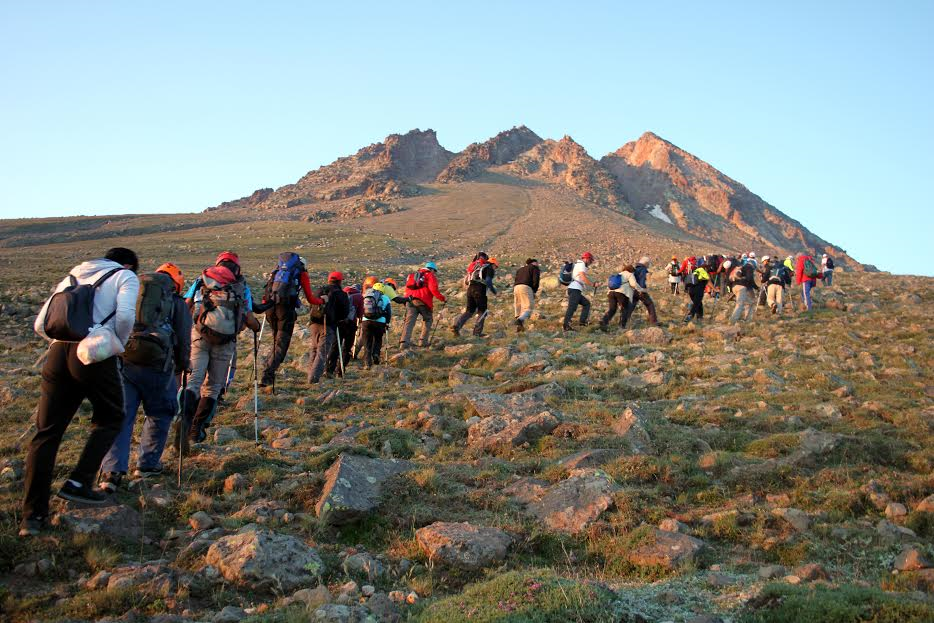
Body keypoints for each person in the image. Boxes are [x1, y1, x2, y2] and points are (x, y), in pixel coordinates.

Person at [21, 248, 140, 536]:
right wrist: (114, 343)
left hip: (57, 353)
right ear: (128, 264)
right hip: (95, 352)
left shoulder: (73, 275)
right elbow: (125, 316)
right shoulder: (125, 276)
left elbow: (41, 324)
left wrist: (65, 340)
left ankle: (32, 517)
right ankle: (79, 482)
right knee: (112, 416)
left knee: (46, 432)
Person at [99, 263, 192, 492]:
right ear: (176, 284)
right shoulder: (177, 303)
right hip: (159, 365)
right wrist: (182, 366)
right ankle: (147, 465)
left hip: (125, 361)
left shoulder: (131, 294)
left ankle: (111, 472)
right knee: (160, 413)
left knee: (122, 415)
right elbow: (183, 336)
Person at [181, 251, 260, 448]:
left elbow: (186, 304)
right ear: (237, 267)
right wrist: (256, 327)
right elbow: (249, 318)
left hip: (200, 334)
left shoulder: (202, 280)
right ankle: (196, 429)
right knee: (214, 386)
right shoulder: (242, 286)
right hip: (226, 341)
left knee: (194, 380)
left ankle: (183, 418)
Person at [259, 253, 324, 387]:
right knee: (281, 345)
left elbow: (266, 293)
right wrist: (322, 301)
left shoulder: (277, 271)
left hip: (270, 308)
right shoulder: (301, 274)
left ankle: (268, 371)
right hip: (285, 310)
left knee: (276, 341)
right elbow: (310, 298)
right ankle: (267, 375)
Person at [308, 272, 350, 383]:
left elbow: (311, 305)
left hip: (314, 323)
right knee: (322, 352)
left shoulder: (318, 290)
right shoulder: (341, 294)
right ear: (340, 281)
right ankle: (313, 378)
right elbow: (345, 313)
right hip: (329, 325)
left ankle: (310, 374)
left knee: (314, 350)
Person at [400, 261, 446, 348]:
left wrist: (405, 301)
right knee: (428, 320)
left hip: (409, 300)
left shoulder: (413, 275)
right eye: (434, 271)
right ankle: (423, 342)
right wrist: (442, 298)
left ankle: (404, 342)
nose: (434, 273)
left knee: (409, 322)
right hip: (423, 302)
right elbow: (433, 290)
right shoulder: (429, 275)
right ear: (432, 269)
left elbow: (407, 289)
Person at [452, 254, 498, 337]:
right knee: (482, 312)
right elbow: (488, 281)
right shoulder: (489, 268)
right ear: (493, 264)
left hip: (470, 289)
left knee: (469, 311)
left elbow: (467, 281)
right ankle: (477, 333)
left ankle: (457, 326)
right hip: (480, 289)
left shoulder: (477, 267)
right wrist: (494, 291)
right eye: (496, 266)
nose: (496, 268)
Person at [327, 283, 362, 377]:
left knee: (335, 347)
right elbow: (360, 314)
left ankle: (329, 369)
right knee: (347, 348)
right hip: (351, 325)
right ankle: (340, 371)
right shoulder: (359, 296)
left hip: (339, 323)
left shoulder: (341, 293)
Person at [360, 281, 392, 369]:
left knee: (367, 341)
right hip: (380, 322)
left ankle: (367, 362)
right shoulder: (385, 298)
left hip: (366, 321)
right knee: (378, 339)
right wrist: (387, 322)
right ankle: (376, 354)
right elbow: (389, 312)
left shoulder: (366, 296)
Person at [563, 252, 595, 331]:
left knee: (586, 303)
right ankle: (566, 326)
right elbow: (582, 276)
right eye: (590, 260)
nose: (591, 263)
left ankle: (582, 322)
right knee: (572, 307)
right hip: (575, 289)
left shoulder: (579, 264)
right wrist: (592, 284)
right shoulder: (581, 265)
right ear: (587, 259)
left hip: (575, 289)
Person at [599, 266, 634, 330]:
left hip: (611, 293)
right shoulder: (630, 274)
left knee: (612, 309)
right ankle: (622, 326)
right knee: (624, 309)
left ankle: (604, 321)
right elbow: (633, 284)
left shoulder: (619, 274)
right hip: (621, 293)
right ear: (631, 270)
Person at [513, 258, 540, 332]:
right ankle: (520, 320)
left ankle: (519, 327)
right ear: (534, 263)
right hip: (526, 287)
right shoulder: (534, 268)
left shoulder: (520, 269)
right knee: (529, 307)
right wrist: (534, 291)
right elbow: (536, 280)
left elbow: (515, 279)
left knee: (519, 308)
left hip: (516, 288)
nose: (538, 265)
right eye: (537, 263)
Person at [631, 256, 659, 325]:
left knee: (631, 306)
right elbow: (642, 280)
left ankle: (624, 321)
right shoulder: (643, 269)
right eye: (648, 263)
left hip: (633, 290)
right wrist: (643, 289)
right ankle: (654, 321)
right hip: (640, 290)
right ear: (645, 263)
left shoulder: (635, 269)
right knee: (650, 304)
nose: (648, 265)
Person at [729, 258, 758, 322]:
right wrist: (756, 287)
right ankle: (733, 320)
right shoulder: (749, 267)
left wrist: (730, 290)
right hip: (741, 287)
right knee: (740, 304)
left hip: (734, 286)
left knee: (749, 302)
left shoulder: (741, 267)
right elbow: (750, 279)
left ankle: (747, 319)